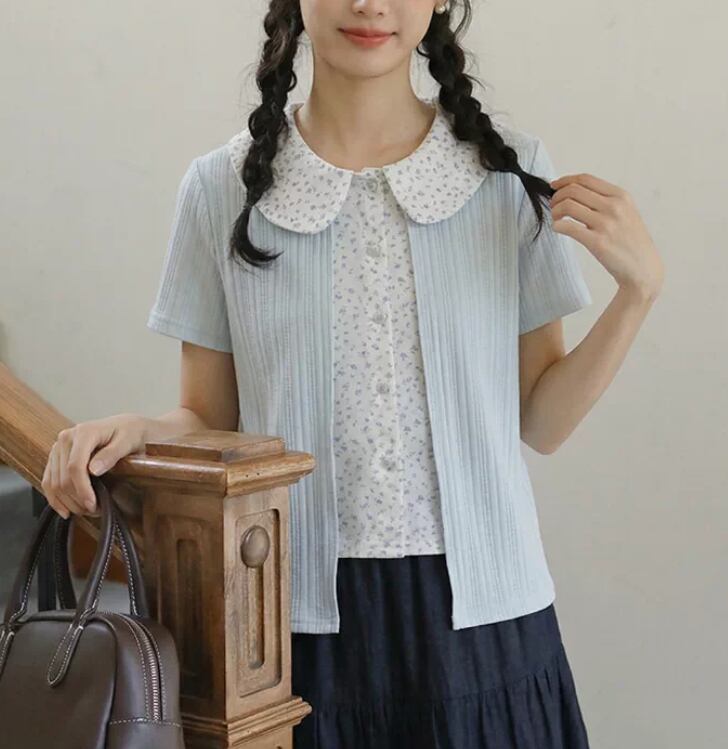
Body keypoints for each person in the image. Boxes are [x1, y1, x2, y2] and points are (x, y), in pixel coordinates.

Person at [42, 1, 664, 746]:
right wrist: (137, 430)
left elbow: (542, 421)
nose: (370, 4)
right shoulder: (219, 188)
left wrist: (637, 295)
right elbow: (209, 417)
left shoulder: (505, 176)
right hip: (291, 616)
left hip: (483, 616)